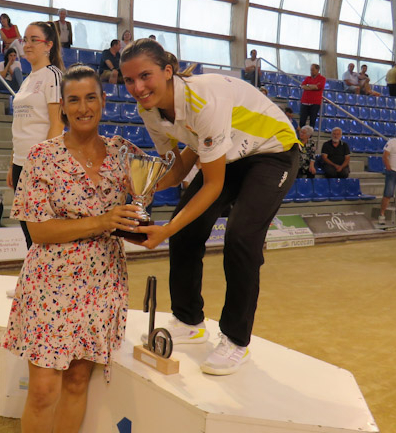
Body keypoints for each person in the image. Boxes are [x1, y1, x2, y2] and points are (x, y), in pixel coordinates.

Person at [120, 39, 300, 375]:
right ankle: (189, 321)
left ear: (168, 71)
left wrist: (166, 229)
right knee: (186, 232)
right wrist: (143, 188)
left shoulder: (201, 99)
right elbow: (175, 169)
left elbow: (213, 183)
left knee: (241, 237)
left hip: (273, 153)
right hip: (226, 153)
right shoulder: (149, 110)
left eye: (145, 76)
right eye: (129, 80)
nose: (138, 88)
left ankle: (236, 340)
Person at [0, 64, 144, 433]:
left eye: (91, 98)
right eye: (74, 100)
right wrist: (103, 221)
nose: (83, 107)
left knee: (78, 381)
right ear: (62, 106)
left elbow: (161, 177)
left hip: (102, 282)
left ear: (103, 101)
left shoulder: (123, 152)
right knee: (45, 390)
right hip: (50, 283)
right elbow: (39, 230)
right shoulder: (41, 157)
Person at [8, 21, 65, 249]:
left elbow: (57, 124)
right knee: (26, 228)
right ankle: (34, 279)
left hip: (39, 164)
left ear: (48, 45)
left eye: (34, 39)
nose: (27, 44)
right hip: (20, 162)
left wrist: (43, 165)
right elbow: (19, 124)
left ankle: (45, 280)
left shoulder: (53, 75)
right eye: (25, 39)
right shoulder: (27, 79)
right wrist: (12, 162)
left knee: (39, 231)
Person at [299, 63, 325, 128]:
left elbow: (318, 87)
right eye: (311, 70)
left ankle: (310, 136)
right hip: (305, 101)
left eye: (313, 70)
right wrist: (312, 86)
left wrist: (307, 86)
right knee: (302, 120)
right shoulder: (308, 78)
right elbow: (302, 86)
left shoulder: (322, 79)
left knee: (312, 121)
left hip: (315, 103)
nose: (311, 72)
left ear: (317, 70)